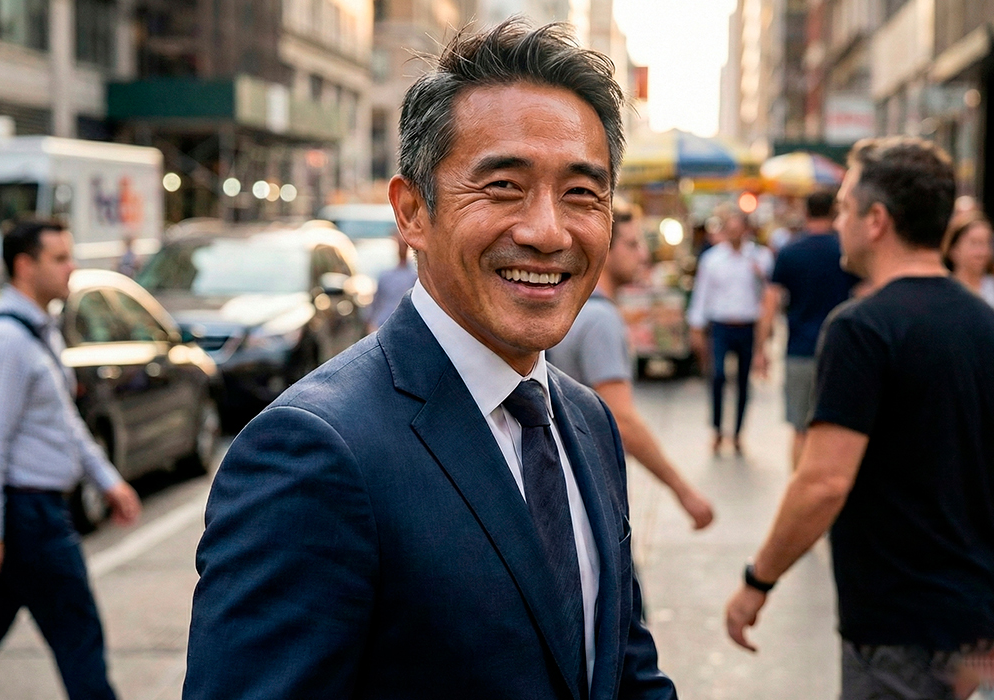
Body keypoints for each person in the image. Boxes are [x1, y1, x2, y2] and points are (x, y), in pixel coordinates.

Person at [184, 21, 677, 700]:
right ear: (413, 211)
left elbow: (624, 671)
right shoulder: (314, 452)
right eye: (503, 186)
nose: (547, 231)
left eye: (582, 194)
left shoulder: (588, 422)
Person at [724, 137, 994, 700]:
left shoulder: (862, 327)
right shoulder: (982, 320)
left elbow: (823, 482)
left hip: (899, 624)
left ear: (877, 221)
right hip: (975, 614)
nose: (838, 221)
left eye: (846, 207)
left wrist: (758, 580)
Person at [0, 219, 141, 699]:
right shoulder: (5, 343)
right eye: (60, 258)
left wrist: (107, 480)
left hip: (30, 515)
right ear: (25, 266)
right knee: (79, 638)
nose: (72, 267)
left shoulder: (37, 332)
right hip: (29, 517)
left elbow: (64, 422)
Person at [549, 205, 714, 530]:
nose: (643, 255)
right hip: (589, 483)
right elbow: (622, 419)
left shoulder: (573, 306)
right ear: (603, 247)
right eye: (632, 244)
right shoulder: (601, 319)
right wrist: (683, 491)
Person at [754, 190, 858, 469]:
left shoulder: (790, 251)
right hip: (841, 352)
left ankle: (799, 482)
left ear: (806, 212)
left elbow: (770, 303)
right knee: (838, 430)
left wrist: (761, 349)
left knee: (800, 429)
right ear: (833, 212)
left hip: (799, 350)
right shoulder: (845, 251)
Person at [687, 210, 774, 455]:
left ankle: (737, 432)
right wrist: (696, 326)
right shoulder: (712, 259)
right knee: (717, 375)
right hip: (721, 325)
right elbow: (702, 294)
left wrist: (764, 339)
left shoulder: (760, 257)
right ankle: (717, 428)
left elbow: (769, 296)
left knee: (744, 381)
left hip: (748, 325)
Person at [365, 230, 418, 332]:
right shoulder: (385, 275)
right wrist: (371, 324)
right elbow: (376, 303)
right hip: (382, 324)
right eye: (399, 245)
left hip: (405, 327)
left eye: (404, 245)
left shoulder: (415, 276)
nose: (401, 249)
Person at [942, 210, 994, 308]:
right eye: (974, 243)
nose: (982, 252)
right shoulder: (941, 290)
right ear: (953, 250)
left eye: (987, 243)